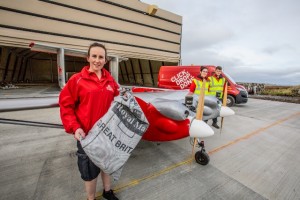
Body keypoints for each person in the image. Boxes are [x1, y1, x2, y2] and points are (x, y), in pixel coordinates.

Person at [59, 42, 120, 200]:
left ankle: (107, 191)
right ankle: (91, 198)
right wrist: (75, 127)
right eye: (94, 56)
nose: (97, 60)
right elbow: (66, 105)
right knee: (90, 171)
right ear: (88, 58)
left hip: (107, 134)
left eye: (101, 57)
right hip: (87, 135)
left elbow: (118, 99)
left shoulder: (110, 80)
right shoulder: (77, 80)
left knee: (106, 165)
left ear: (105, 60)